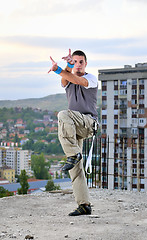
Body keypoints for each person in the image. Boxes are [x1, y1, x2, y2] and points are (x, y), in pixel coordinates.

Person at [48, 49, 98, 216]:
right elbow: (66, 79)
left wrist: (57, 69)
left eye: (80, 62)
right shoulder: (68, 80)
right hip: (74, 126)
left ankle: (73, 154)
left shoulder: (91, 79)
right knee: (75, 169)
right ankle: (84, 205)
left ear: (86, 64)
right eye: (74, 62)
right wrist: (66, 66)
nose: (78, 65)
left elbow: (76, 80)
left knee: (63, 114)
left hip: (88, 123)